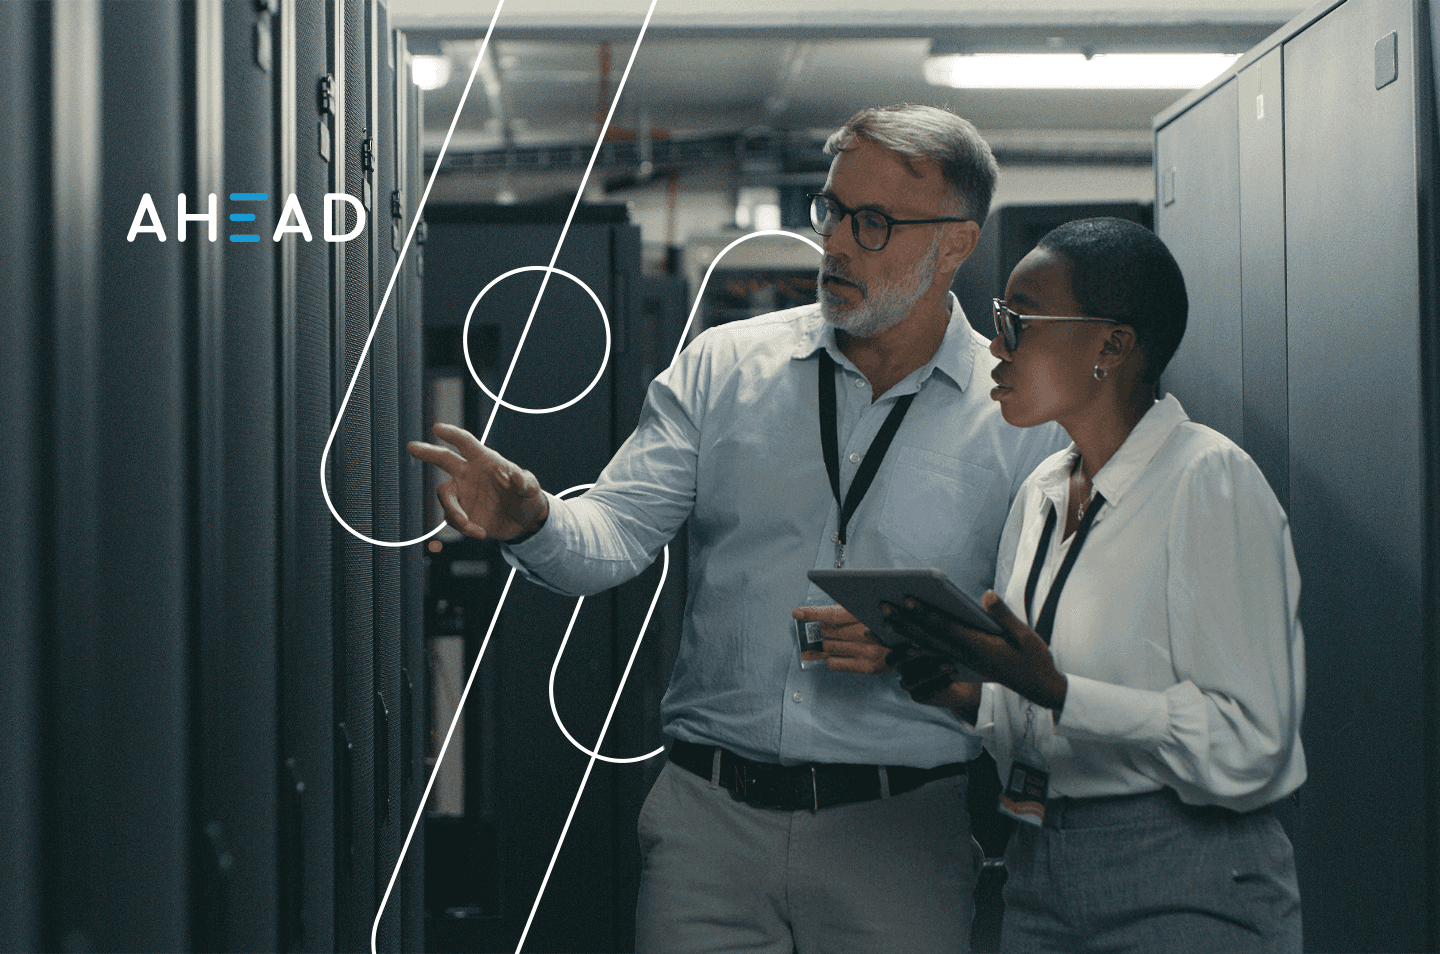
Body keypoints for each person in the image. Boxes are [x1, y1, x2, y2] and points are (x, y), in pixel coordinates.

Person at [406, 104, 1067, 954]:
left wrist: (925, 649)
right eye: (831, 211)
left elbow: (1044, 651)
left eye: (873, 223)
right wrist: (534, 521)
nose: (836, 245)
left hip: (902, 835)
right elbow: (615, 533)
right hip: (709, 830)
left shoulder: (1018, 419)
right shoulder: (726, 366)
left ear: (956, 244)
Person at [881, 217, 1305, 953]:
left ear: (1112, 346)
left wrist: (1058, 691)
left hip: (1182, 873)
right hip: (1040, 864)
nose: (996, 346)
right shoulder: (1043, 491)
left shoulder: (1209, 479)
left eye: (1019, 322)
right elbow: (1048, 719)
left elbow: (1251, 742)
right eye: (998, 320)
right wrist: (973, 696)